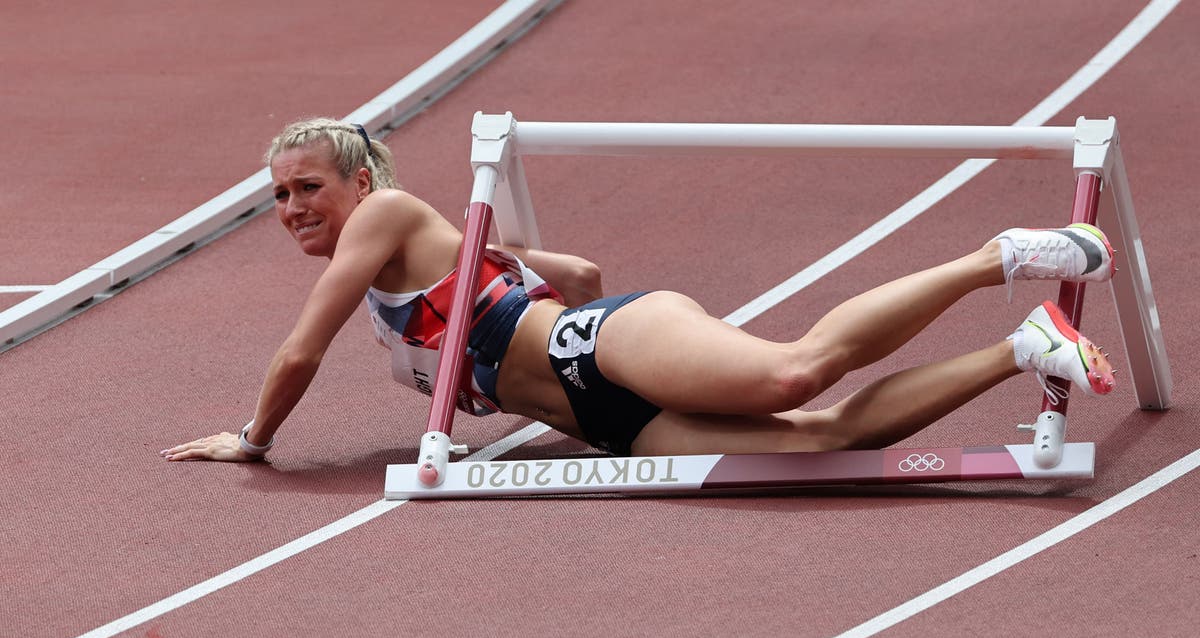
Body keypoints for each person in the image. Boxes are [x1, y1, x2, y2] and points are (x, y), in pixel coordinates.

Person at [162, 118, 1116, 463]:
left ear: (359, 184)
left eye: (307, 187)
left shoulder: (384, 218)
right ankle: (1018, 346)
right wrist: (514, 274)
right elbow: (573, 274)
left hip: (597, 346)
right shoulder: (408, 256)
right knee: (831, 440)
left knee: (793, 377)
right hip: (608, 423)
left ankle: (996, 257)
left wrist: (251, 442)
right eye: (279, 195)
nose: (291, 207)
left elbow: (301, 351)